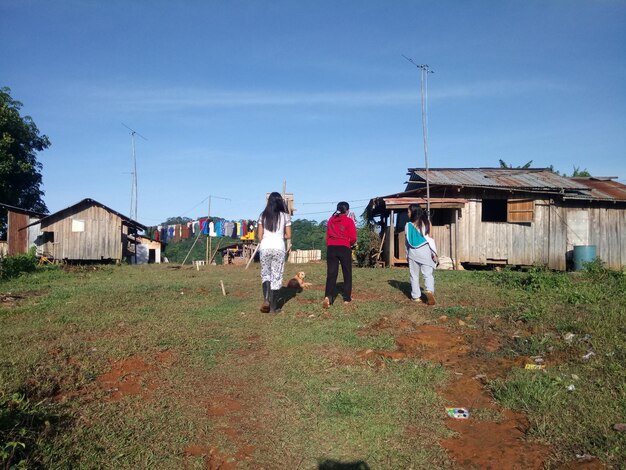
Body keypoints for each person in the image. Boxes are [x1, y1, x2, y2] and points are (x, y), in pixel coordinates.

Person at [258, 192, 292, 313]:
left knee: (266, 274)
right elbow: (289, 235)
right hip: (278, 247)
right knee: (276, 276)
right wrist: (278, 235)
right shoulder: (285, 216)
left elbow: (260, 235)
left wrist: (267, 239)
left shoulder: (263, 215)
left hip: (265, 247)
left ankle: (266, 299)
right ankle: (273, 308)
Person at [323, 201, 357, 308]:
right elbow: (353, 238)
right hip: (344, 247)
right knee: (347, 273)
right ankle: (346, 298)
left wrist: (330, 244)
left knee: (331, 273)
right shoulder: (349, 221)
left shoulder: (331, 219)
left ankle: (328, 297)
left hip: (331, 248)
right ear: (347, 211)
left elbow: (327, 235)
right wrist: (349, 244)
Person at [405, 204, 438, 305]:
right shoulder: (427, 223)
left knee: (414, 275)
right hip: (425, 252)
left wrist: (407, 255)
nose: (408, 213)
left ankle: (416, 297)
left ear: (414, 212)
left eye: (409, 212)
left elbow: (407, 242)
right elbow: (430, 239)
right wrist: (434, 253)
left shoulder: (408, 225)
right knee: (427, 274)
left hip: (413, 253)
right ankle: (429, 290)